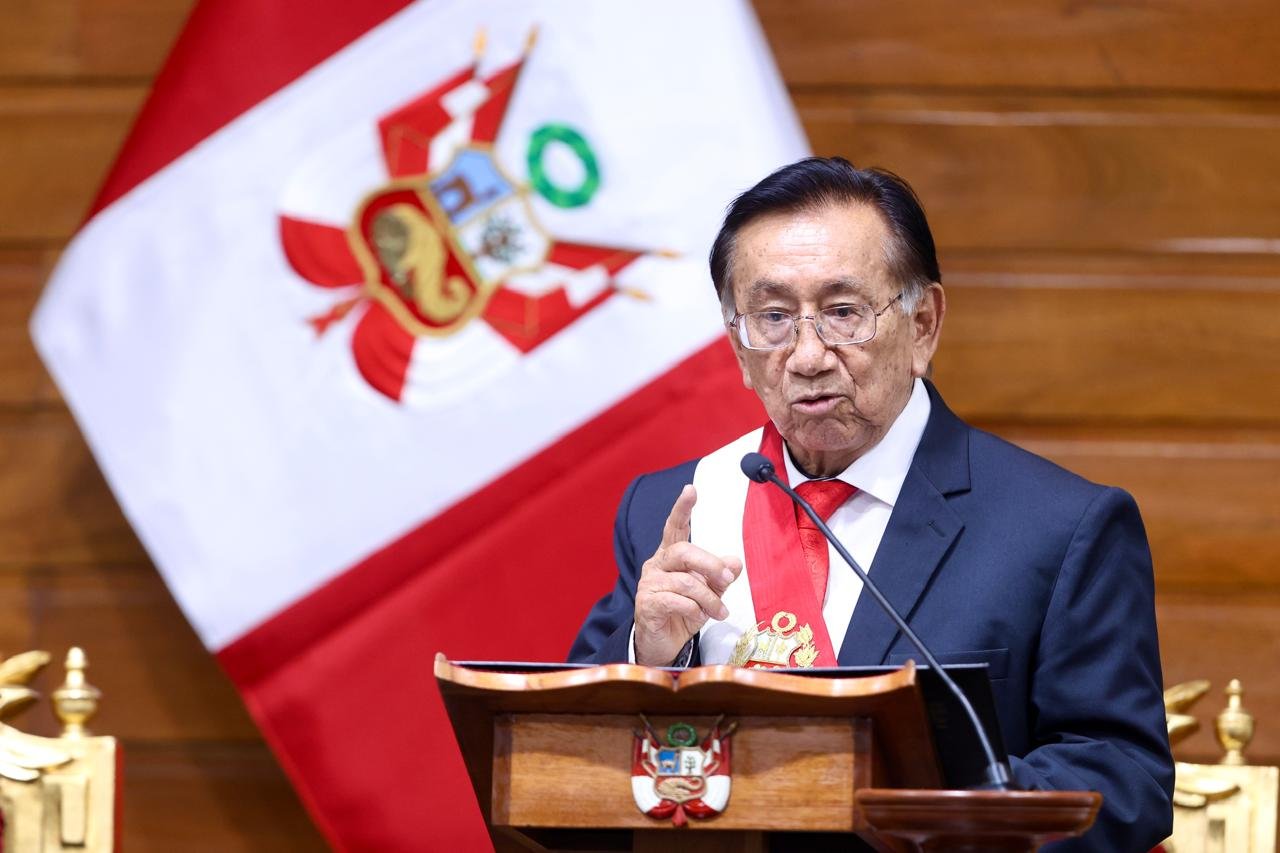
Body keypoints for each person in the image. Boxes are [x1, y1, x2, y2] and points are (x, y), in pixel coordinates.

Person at [568, 157, 1173, 851]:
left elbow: (1124, 777)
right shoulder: (675, 509)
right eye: (772, 317)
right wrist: (649, 653)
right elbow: (562, 762)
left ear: (923, 325)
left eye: (842, 312)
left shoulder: (1059, 528)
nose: (807, 356)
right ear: (738, 347)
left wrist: (936, 815)